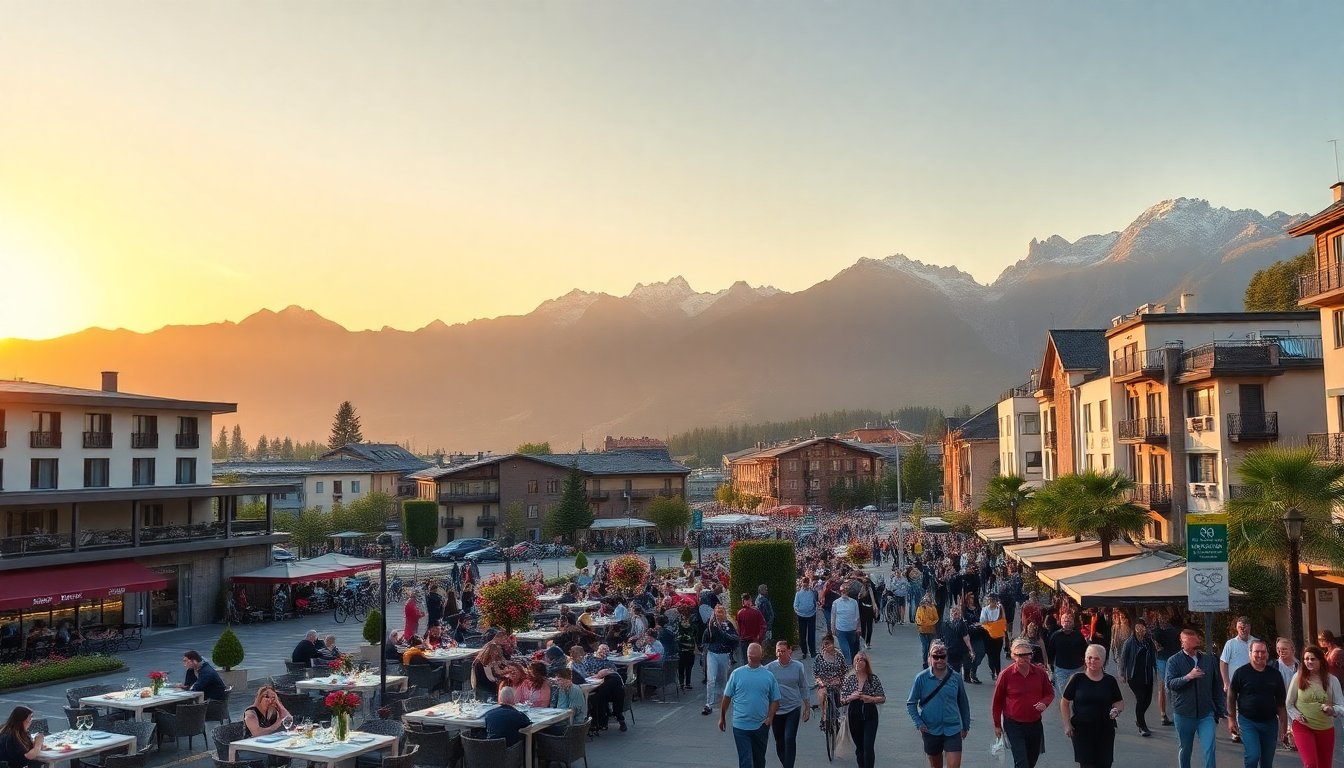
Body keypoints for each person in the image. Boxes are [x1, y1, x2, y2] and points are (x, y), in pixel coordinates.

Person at [1165, 628, 1227, 768]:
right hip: (1184, 714)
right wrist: (1188, 677)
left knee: (1209, 750)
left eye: (1194, 640)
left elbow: (1216, 686)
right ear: (1182, 643)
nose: (1192, 644)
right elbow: (1170, 684)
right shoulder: (1173, 661)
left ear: (1198, 641)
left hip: (1206, 714)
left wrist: (1220, 711)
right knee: (1185, 750)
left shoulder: (1209, 660)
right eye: (1188, 641)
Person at [907, 641, 971, 768]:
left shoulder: (956, 678)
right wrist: (919, 723)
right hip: (930, 729)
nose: (940, 660)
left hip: (952, 728)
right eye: (936, 657)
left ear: (947, 657)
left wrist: (965, 726)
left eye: (943, 657)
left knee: (954, 765)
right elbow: (911, 703)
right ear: (929, 658)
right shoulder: (921, 678)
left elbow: (963, 703)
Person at [992, 638, 1054, 768]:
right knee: (1022, 762)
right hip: (1014, 724)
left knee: (1031, 760)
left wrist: (1044, 703)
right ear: (1014, 655)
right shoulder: (1006, 675)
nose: (1024, 658)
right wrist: (997, 725)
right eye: (1020, 655)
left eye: (1027, 654)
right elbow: (997, 701)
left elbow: (1049, 693)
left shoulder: (1040, 673)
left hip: (1034, 723)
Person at [1060, 643, 1124, 768]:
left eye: (1096, 658)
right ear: (1085, 659)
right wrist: (1067, 724)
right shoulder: (1077, 679)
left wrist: (1116, 710)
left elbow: (1119, 702)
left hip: (1105, 729)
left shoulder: (1109, 681)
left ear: (1103, 660)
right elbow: (1064, 701)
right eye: (1089, 657)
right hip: (1082, 730)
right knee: (1087, 764)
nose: (1092, 661)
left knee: (1104, 764)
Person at [1227, 639, 1287, 768]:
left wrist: (1283, 727)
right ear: (1250, 653)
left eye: (1263, 652)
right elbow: (1231, 696)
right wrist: (1231, 718)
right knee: (1253, 755)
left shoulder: (1275, 674)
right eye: (1256, 652)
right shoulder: (1241, 673)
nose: (1260, 655)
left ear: (1267, 654)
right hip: (1248, 722)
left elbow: (1281, 703)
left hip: (1270, 723)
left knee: (1267, 761)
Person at [719, 642, 780, 768]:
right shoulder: (737, 674)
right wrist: (722, 717)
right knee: (746, 761)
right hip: (741, 726)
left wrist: (770, 718)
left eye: (754, 655)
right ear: (748, 656)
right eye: (751, 655)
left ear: (760, 656)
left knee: (759, 760)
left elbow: (775, 699)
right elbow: (727, 697)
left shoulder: (768, 676)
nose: (752, 658)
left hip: (761, 725)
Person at [1287, 645, 1344, 768]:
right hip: (1303, 726)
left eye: (1313, 659)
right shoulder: (1298, 677)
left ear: (1320, 660)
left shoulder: (1332, 680)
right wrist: (1296, 716)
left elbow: (1341, 706)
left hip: (1325, 727)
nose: (1309, 662)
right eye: (1306, 659)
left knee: (1324, 765)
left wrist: (1332, 709)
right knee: (1311, 764)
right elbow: (1289, 704)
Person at [766, 640, 811, 768]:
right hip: (776, 710)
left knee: (789, 739)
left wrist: (807, 707)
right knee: (779, 742)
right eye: (778, 651)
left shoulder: (798, 666)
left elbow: (803, 687)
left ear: (789, 651)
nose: (780, 654)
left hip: (793, 708)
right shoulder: (769, 668)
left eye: (783, 651)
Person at [840, 650, 886, 768]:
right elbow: (842, 699)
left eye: (861, 659)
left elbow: (882, 697)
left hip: (870, 715)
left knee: (868, 746)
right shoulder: (849, 679)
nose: (858, 662)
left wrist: (871, 699)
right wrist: (851, 697)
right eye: (856, 660)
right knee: (860, 748)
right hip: (854, 715)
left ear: (866, 663)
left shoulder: (873, 678)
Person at [1222, 616, 1261, 744]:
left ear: (1250, 627)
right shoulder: (1230, 644)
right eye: (1240, 627)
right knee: (1234, 707)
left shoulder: (1256, 642)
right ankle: (1235, 732)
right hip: (1235, 682)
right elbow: (1223, 663)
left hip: (1253, 682)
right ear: (1237, 628)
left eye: (1245, 626)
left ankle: (1250, 730)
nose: (1243, 629)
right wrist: (1226, 682)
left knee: (1250, 706)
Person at [572, 644, 628, 732]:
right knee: (607, 692)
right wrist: (596, 674)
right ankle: (617, 717)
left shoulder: (608, 662)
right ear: (597, 650)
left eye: (606, 650)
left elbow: (614, 670)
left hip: (603, 682)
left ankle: (604, 720)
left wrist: (605, 672)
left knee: (614, 683)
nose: (604, 652)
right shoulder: (588, 658)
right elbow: (584, 674)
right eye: (602, 649)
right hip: (592, 683)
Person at [1118, 616, 1159, 736]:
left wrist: (1157, 671)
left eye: (1142, 627)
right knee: (1140, 699)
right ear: (1134, 629)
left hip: (1147, 675)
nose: (1140, 630)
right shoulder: (1130, 642)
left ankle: (1139, 718)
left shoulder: (1148, 641)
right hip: (1134, 676)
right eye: (1138, 627)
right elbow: (1123, 658)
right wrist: (1121, 674)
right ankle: (1142, 725)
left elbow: (1153, 656)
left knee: (1147, 700)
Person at [703, 604, 741, 717]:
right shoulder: (711, 625)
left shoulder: (728, 625)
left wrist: (730, 650)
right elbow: (706, 638)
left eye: (721, 612)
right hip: (712, 653)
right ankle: (708, 703)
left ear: (724, 614)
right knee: (711, 679)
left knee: (723, 679)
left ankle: (724, 699)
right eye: (717, 612)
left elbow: (734, 638)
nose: (718, 615)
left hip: (724, 654)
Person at [1047, 613, 1088, 700]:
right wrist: (1050, 668)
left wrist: (1086, 664)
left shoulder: (1078, 635)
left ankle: (1076, 708)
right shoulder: (1055, 636)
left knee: (1077, 692)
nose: (1067, 623)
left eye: (1069, 621)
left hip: (1077, 668)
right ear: (1061, 623)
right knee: (1065, 694)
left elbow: (1085, 651)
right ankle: (1066, 709)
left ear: (1073, 623)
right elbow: (1050, 653)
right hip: (1061, 670)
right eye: (1065, 621)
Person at [1153, 609, 1182, 726]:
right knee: (1172, 687)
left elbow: (1154, 643)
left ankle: (1164, 714)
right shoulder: (1176, 630)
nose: (1163, 620)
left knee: (1163, 687)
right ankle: (1172, 713)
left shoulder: (1157, 631)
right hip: (1171, 659)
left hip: (1163, 659)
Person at [1275, 637, 1301, 752]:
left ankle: (1293, 741)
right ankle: (1285, 738)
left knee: (1294, 720)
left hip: (1295, 699)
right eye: (1279, 649)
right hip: (1280, 698)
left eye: (1284, 649)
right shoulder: (1275, 665)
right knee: (1284, 719)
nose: (1281, 652)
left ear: (1292, 649)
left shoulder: (1298, 665)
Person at [813, 633, 849, 718]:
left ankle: (841, 716)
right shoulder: (819, 657)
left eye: (828, 643)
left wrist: (840, 679)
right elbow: (815, 673)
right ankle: (824, 716)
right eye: (824, 644)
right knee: (822, 695)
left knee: (843, 698)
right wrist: (820, 681)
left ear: (833, 643)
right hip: (824, 682)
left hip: (837, 682)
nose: (826, 646)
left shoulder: (839, 655)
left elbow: (845, 669)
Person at [938, 606, 974, 680]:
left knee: (950, 667)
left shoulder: (944, 623)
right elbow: (966, 638)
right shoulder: (961, 624)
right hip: (958, 651)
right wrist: (971, 650)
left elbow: (941, 639)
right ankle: (955, 682)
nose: (955, 613)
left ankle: (950, 680)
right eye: (955, 611)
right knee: (957, 669)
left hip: (948, 650)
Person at [981, 594, 1008, 682]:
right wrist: (994, 623)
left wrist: (993, 623)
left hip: (998, 635)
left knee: (997, 655)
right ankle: (992, 670)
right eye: (990, 600)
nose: (992, 602)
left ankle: (998, 673)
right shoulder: (985, 609)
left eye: (993, 600)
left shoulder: (999, 609)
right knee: (990, 654)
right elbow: (983, 621)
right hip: (988, 635)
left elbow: (1004, 619)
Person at [833, 582, 861, 666]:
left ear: (848, 592)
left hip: (852, 629)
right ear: (840, 592)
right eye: (842, 592)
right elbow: (833, 616)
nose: (844, 593)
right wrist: (832, 628)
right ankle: (847, 665)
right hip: (841, 629)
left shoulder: (854, 602)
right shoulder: (836, 603)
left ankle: (853, 663)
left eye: (846, 591)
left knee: (852, 648)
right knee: (844, 648)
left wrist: (858, 627)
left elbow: (857, 615)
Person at [793, 578, 818, 659]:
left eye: (806, 584)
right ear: (802, 584)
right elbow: (795, 605)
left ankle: (813, 652)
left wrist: (814, 609)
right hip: (801, 616)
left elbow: (815, 602)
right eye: (804, 583)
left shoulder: (812, 593)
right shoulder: (798, 594)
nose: (805, 585)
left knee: (811, 634)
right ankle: (804, 652)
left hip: (811, 615)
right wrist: (798, 611)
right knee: (802, 635)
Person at [916, 593, 940, 667]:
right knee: (925, 646)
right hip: (922, 630)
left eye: (927, 600)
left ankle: (930, 660)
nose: (926, 602)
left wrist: (929, 623)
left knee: (930, 646)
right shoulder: (920, 608)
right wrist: (922, 623)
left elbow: (936, 618)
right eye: (925, 600)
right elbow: (917, 618)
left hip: (931, 630)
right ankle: (925, 661)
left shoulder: (933, 608)